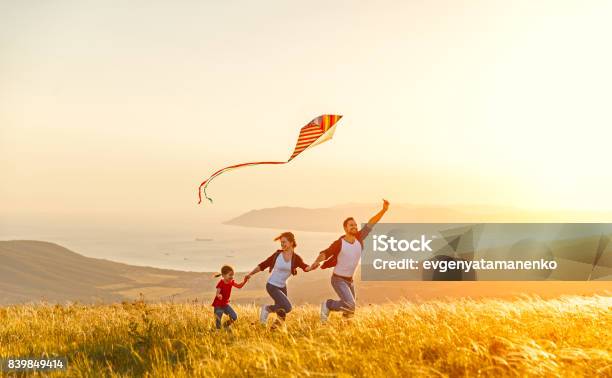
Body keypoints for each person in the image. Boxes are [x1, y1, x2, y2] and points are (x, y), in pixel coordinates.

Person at [310, 199, 390, 322]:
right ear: (345, 228)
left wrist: (383, 210)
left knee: (350, 310)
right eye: (351, 225)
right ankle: (328, 304)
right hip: (338, 279)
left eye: (355, 225)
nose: (354, 226)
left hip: (349, 281)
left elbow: (371, 222)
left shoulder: (359, 237)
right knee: (350, 304)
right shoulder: (339, 243)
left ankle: (343, 330)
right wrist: (317, 261)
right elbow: (325, 253)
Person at [245, 232, 316, 326]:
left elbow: (305, 267)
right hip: (272, 286)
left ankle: (274, 331)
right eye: (281, 242)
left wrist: (312, 267)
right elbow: (263, 265)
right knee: (288, 307)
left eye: (284, 242)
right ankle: (267, 309)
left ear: (291, 243)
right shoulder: (277, 255)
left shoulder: (296, 258)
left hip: (282, 286)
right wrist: (250, 274)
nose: (282, 244)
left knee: (282, 313)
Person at [211, 265, 249, 329]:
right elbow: (217, 292)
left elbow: (239, 286)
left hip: (225, 304)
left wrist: (245, 280)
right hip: (218, 305)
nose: (232, 277)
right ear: (223, 275)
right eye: (230, 275)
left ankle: (225, 326)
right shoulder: (221, 283)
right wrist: (219, 295)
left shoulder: (231, 282)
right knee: (218, 321)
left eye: (232, 275)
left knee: (234, 317)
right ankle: (218, 331)